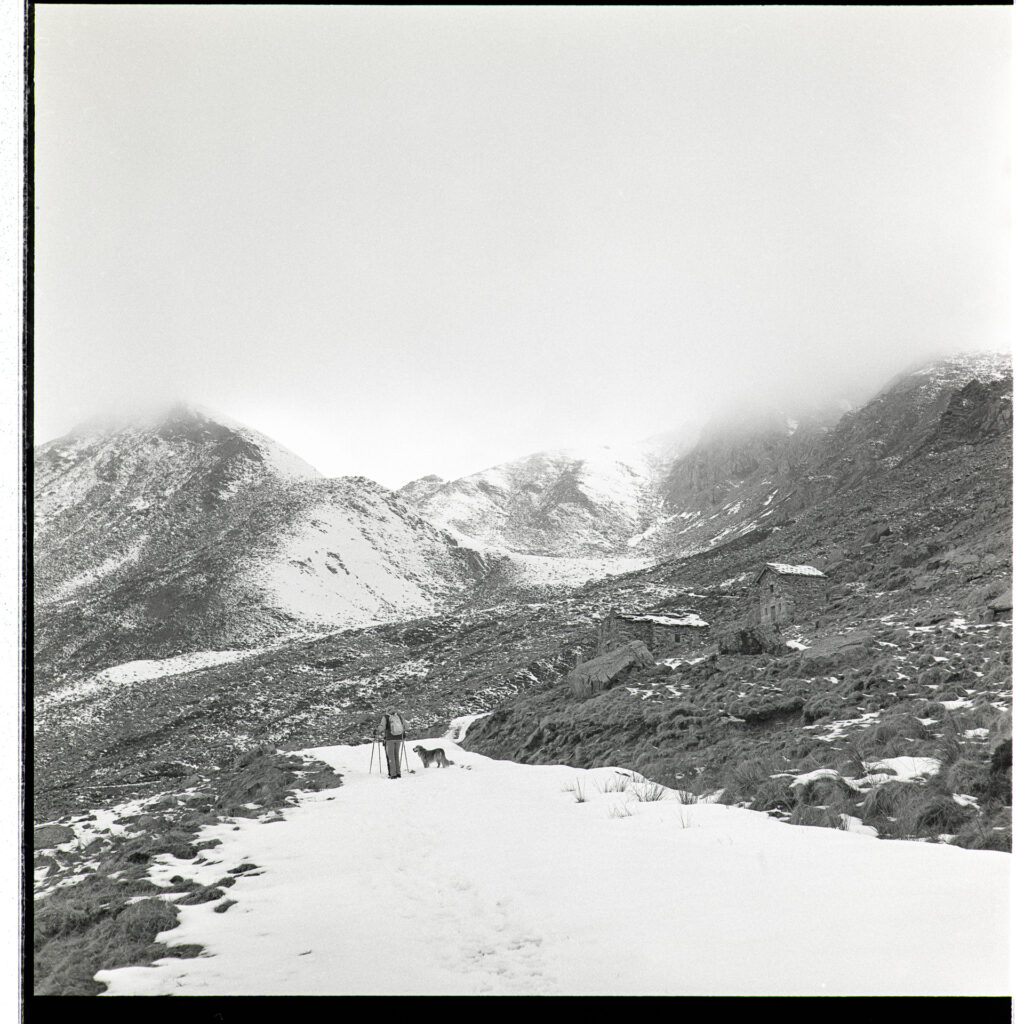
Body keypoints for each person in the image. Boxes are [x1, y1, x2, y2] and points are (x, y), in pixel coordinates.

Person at [378, 710, 409, 779]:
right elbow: (406, 726)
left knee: (391, 756)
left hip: (389, 739)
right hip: (399, 738)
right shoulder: (399, 716)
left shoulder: (386, 717)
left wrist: (377, 730)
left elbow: (382, 727)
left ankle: (393, 774)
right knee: (396, 756)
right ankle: (398, 773)